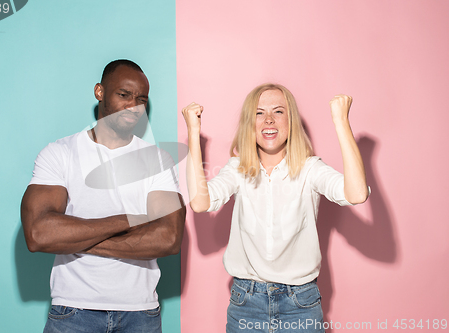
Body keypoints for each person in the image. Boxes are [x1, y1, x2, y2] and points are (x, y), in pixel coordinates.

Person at [182, 83, 369, 333]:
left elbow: (356, 194)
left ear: (291, 121)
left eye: (278, 112)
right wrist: (193, 133)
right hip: (246, 302)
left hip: (300, 304)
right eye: (260, 113)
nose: (268, 119)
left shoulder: (310, 169)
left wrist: (341, 122)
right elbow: (200, 201)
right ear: (251, 123)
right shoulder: (237, 169)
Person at [21, 59, 186, 333]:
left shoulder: (157, 159)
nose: (133, 106)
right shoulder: (60, 153)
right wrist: (131, 218)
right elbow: (39, 234)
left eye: (141, 99)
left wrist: (73, 239)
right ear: (100, 91)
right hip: (73, 311)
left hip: (140, 313)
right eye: (124, 95)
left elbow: (168, 238)